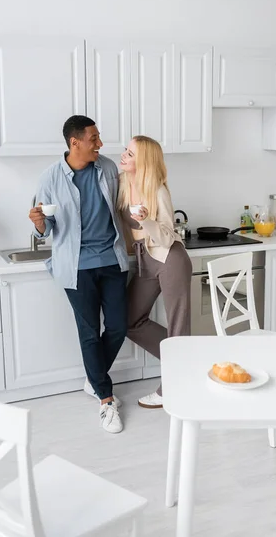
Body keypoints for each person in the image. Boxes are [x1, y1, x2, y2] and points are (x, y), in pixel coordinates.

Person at [29, 115, 128, 434]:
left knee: (118, 326)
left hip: (111, 261)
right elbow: (47, 230)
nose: (100, 143)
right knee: (89, 332)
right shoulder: (50, 178)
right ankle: (106, 399)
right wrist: (39, 223)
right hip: (76, 267)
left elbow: (122, 208)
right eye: (94, 138)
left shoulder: (109, 169)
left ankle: (94, 377)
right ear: (75, 143)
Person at [118, 136, 192, 409]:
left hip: (170, 258)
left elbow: (166, 237)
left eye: (130, 153)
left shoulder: (158, 191)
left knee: (178, 327)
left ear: (144, 161)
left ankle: (170, 388)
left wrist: (146, 220)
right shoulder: (123, 183)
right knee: (129, 320)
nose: (124, 156)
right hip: (144, 260)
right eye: (125, 151)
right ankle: (188, 359)